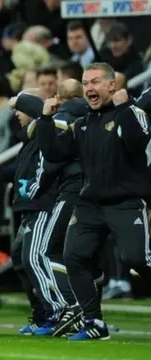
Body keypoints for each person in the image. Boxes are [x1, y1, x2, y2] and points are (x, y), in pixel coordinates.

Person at [37, 62, 151, 341]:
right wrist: (44, 121)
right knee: (73, 257)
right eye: (86, 83)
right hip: (90, 205)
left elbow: (138, 142)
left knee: (138, 260)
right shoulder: (82, 124)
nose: (89, 88)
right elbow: (54, 152)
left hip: (126, 202)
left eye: (96, 82)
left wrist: (124, 108)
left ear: (112, 85)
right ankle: (94, 322)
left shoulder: (133, 111)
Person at [10, 79, 89, 336]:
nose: (16, 115)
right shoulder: (33, 135)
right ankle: (48, 312)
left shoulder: (49, 130)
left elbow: (47, 169)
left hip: (43, 204)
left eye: (19, 110)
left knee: (37, 256)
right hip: (34, 203)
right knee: (24, 258)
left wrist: (30, 194)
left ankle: (61, 309)